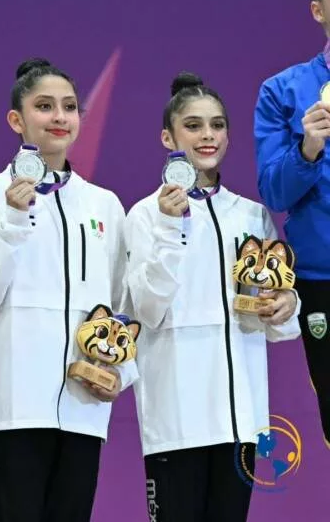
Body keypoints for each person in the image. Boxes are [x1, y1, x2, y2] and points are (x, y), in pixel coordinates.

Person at [0, 58, 138, 522]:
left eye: (69, 107)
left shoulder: (103, 204)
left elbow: (124, 305)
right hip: (15, 403)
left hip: (84, 403)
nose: (59, 117)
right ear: (16, 120)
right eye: (44, 106)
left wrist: (121, 371)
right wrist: (13, 221)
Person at [128, 72, 300, 522]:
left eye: (217, 125)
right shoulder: (145, 216)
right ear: (168, 137)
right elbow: (146, 310)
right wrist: (170, 229)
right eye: (193, 125)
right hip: (177, 420)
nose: (208, 135)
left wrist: (286, 306)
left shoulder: (251, 215)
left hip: (241, 422)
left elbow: (279, 323)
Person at [254, 0, 330, 447]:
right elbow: (275, 192)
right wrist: (308, 148)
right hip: (323, 279)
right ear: (318, 11)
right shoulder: (283, 91)